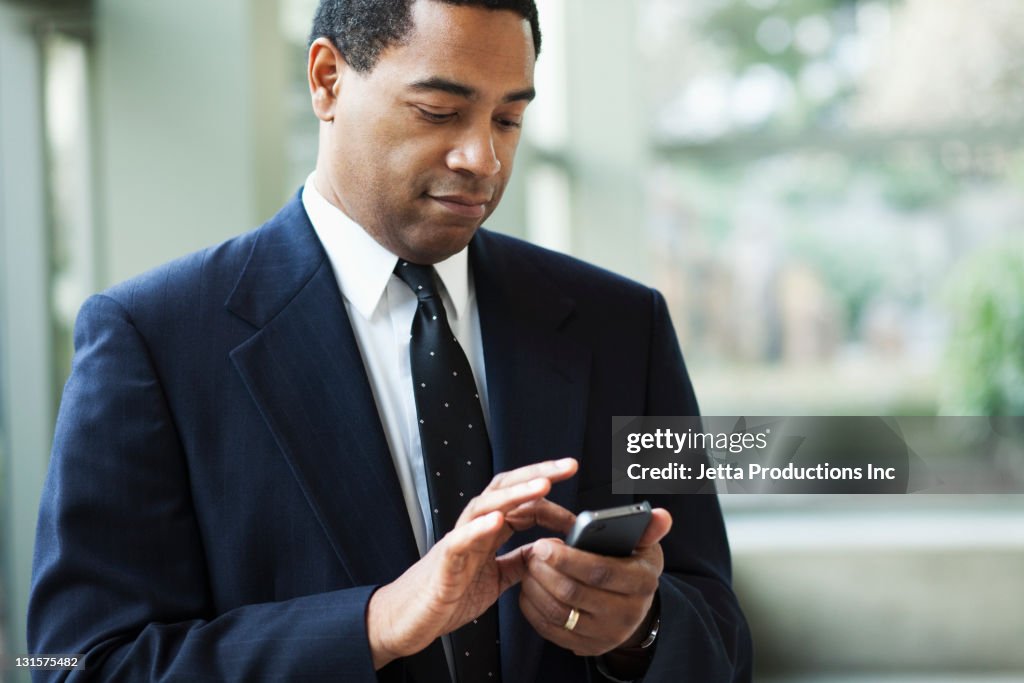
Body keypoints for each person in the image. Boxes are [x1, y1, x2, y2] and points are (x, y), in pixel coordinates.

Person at [27, 0, 752, 680]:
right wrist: (377, 622)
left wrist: (640, 629)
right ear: (327, 80)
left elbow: (720, 630)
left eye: (508, 119)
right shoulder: (150, 341)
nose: (483, 159)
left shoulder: (625, 325)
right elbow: (79, 662)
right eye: (439, 111)